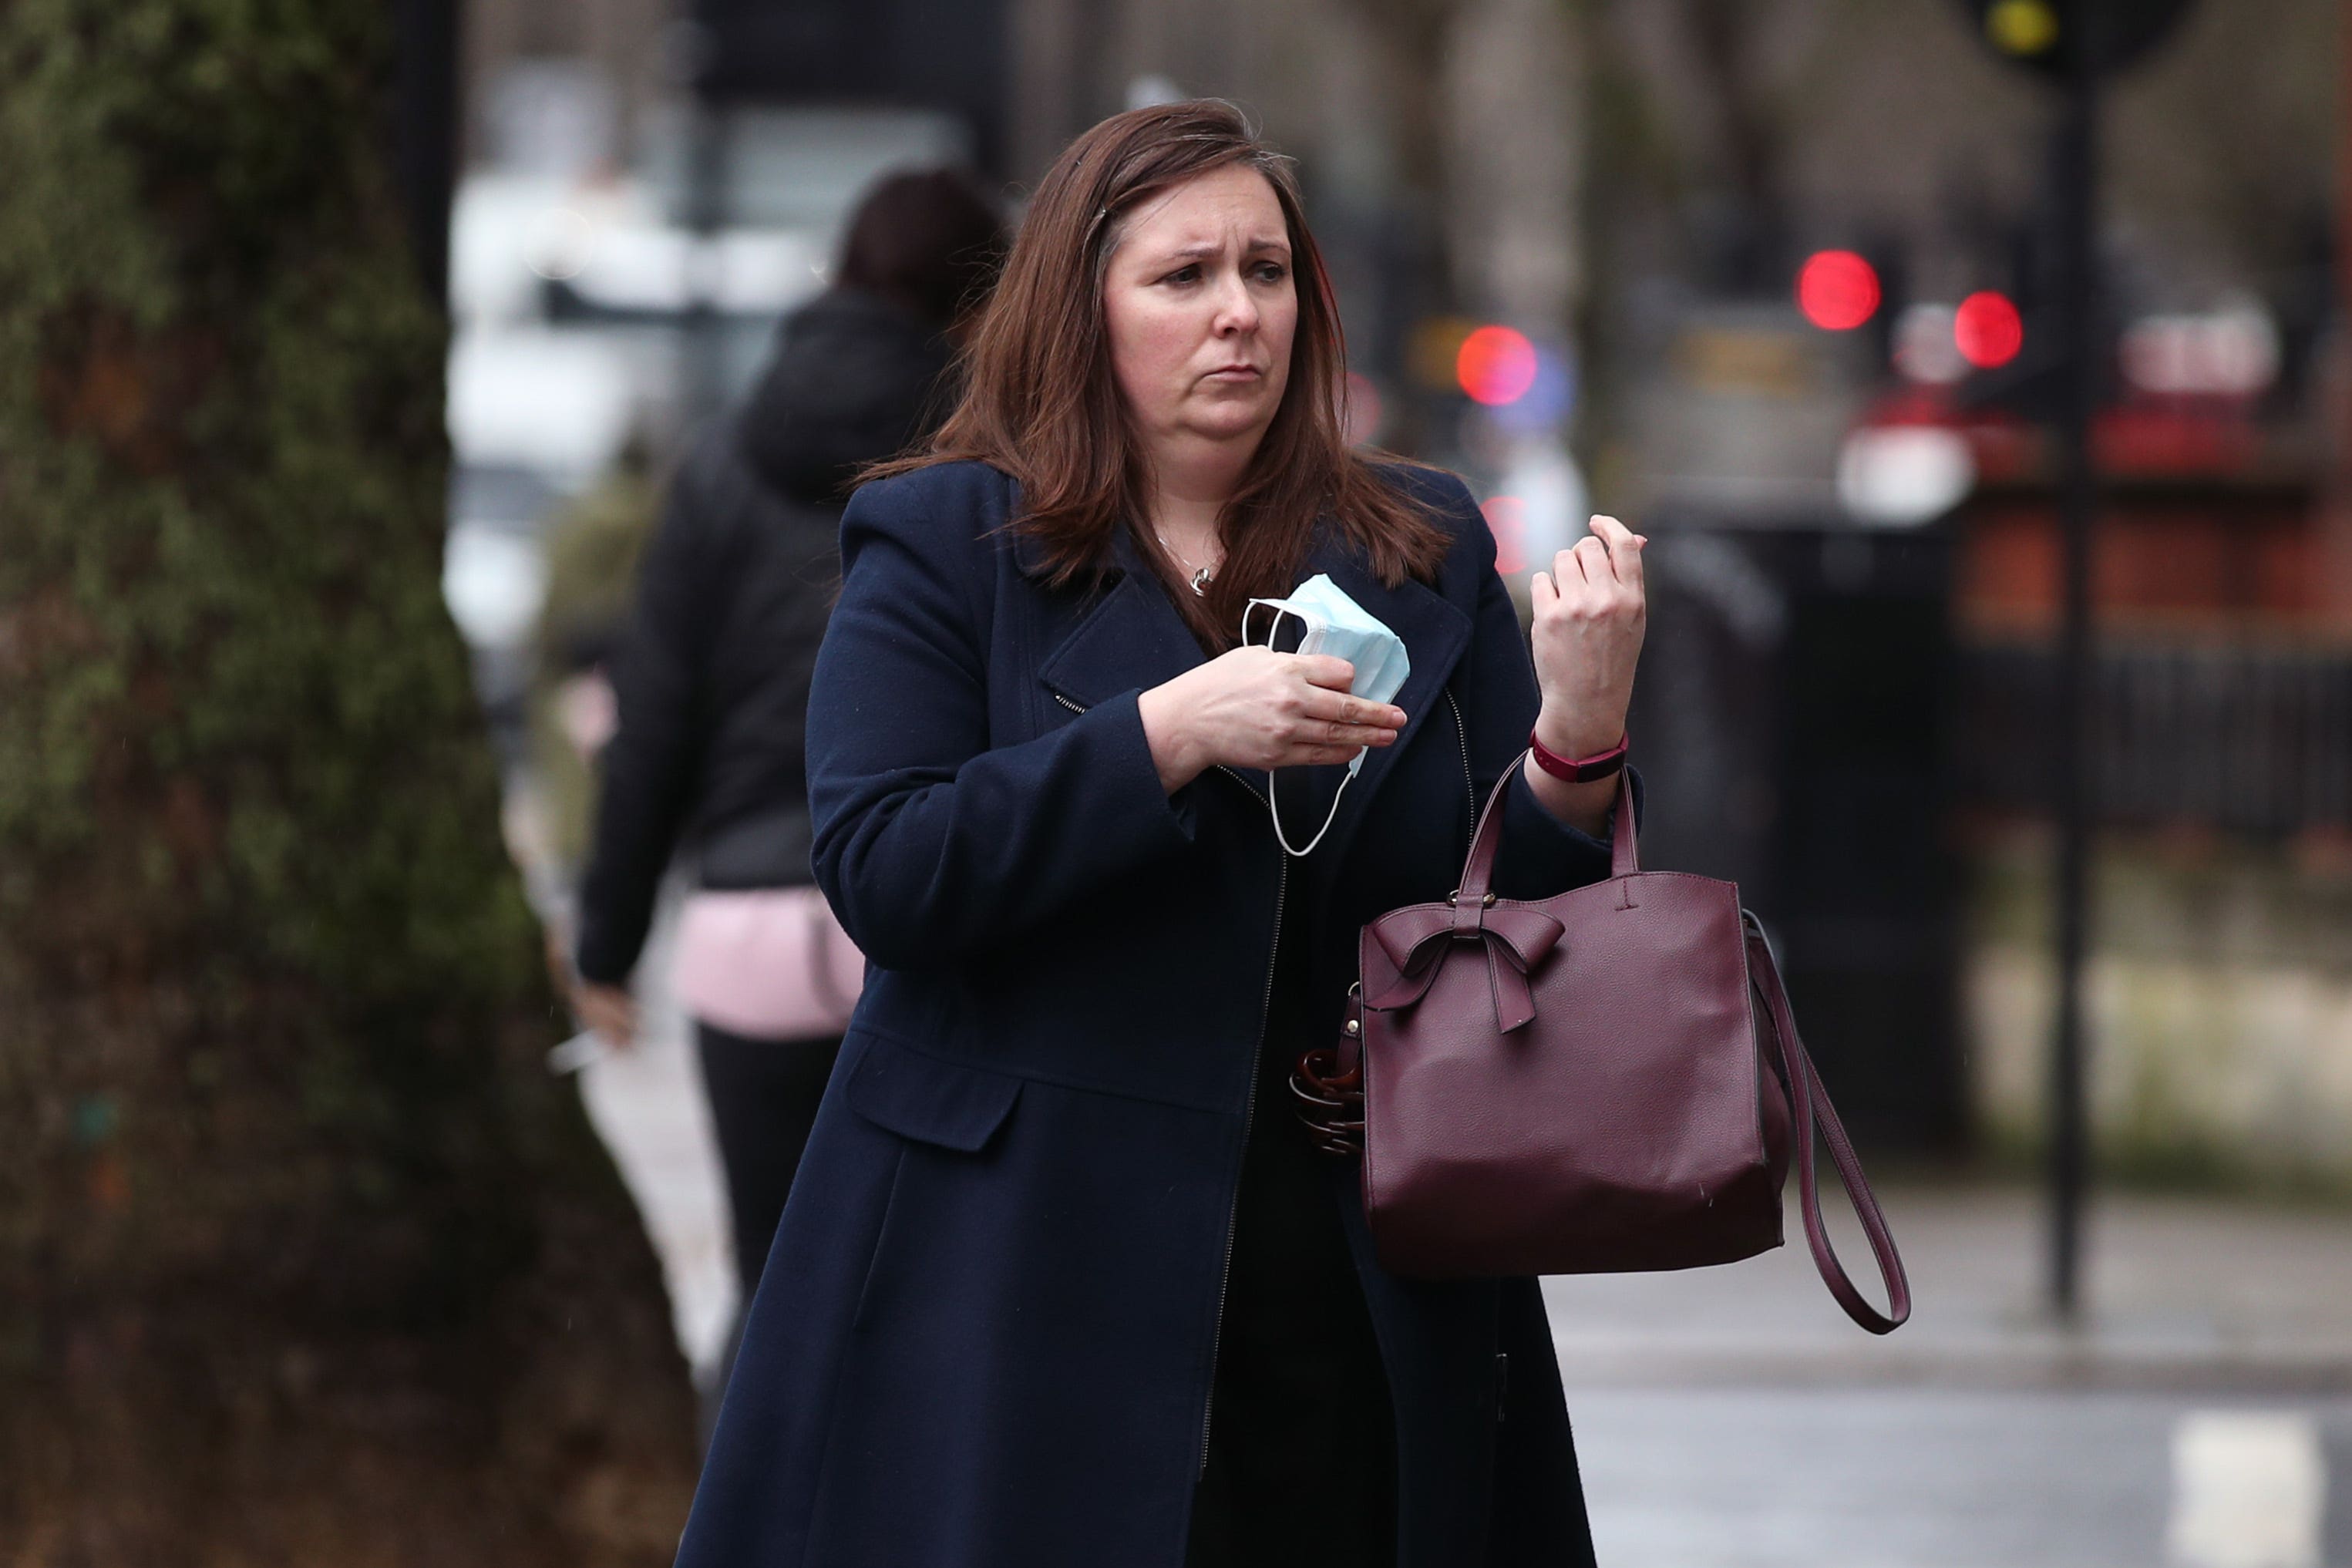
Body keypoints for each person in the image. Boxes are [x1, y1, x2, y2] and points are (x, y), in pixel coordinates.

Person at [676, 102, 1647, 1567]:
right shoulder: (948, 540)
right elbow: (888, 864)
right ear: (1085, 310)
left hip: (1351, 1269)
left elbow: (1517, 936)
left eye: (1267, 271)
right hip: (1022, 1272)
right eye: (1183, 276)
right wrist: (1169, 733)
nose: (1238, 315)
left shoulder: (1423, 544)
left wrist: (1579, 738)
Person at [566, 168, 1004, 1404]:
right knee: (937, 1293)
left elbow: (652, 719)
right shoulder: (990, 463)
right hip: (923, 912)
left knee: (776, 1288)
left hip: (746, 926)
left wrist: (604, 943)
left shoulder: (718, 466)